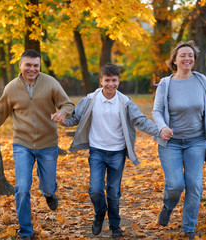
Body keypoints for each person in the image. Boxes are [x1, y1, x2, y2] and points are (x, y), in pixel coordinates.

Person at [0, 49, 75, 240]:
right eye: (28, 64)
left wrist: (63, 113)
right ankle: (26, 231)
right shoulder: (11, 88)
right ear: (20, 65)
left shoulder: (50, 83)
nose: (32, 69)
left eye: (36, 65)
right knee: (22, 188)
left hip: (47, 144)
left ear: (39, 66)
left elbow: (67, 104)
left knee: (49, 186)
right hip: (22, 144)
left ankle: (49, 192)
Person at [59, 63, 160, 238]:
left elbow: (141, 120)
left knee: (113, 192)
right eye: (107, 80)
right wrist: (62, 120)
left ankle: (115, 226)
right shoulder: (91, 99)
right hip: (97, 151)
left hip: (117, 153)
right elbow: (75, 118)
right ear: (101, 81)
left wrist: (160, 131)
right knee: (96, 190)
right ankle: (99, 213)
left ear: (119, 81)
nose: (110, 84)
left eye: (114, 80)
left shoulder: (125, 102)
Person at [152, 40, 206, 240]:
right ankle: (168, 206)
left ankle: (189, 228)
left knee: (194, 185)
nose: (187, 58)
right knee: (175, 185)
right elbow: (156, 110)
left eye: (190, 55)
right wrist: (162, 127)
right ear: (174, 60)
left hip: (196, 142)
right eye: (183, 55)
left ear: (194, 59)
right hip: (170, 142)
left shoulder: (201, 80)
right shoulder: (166, 83)